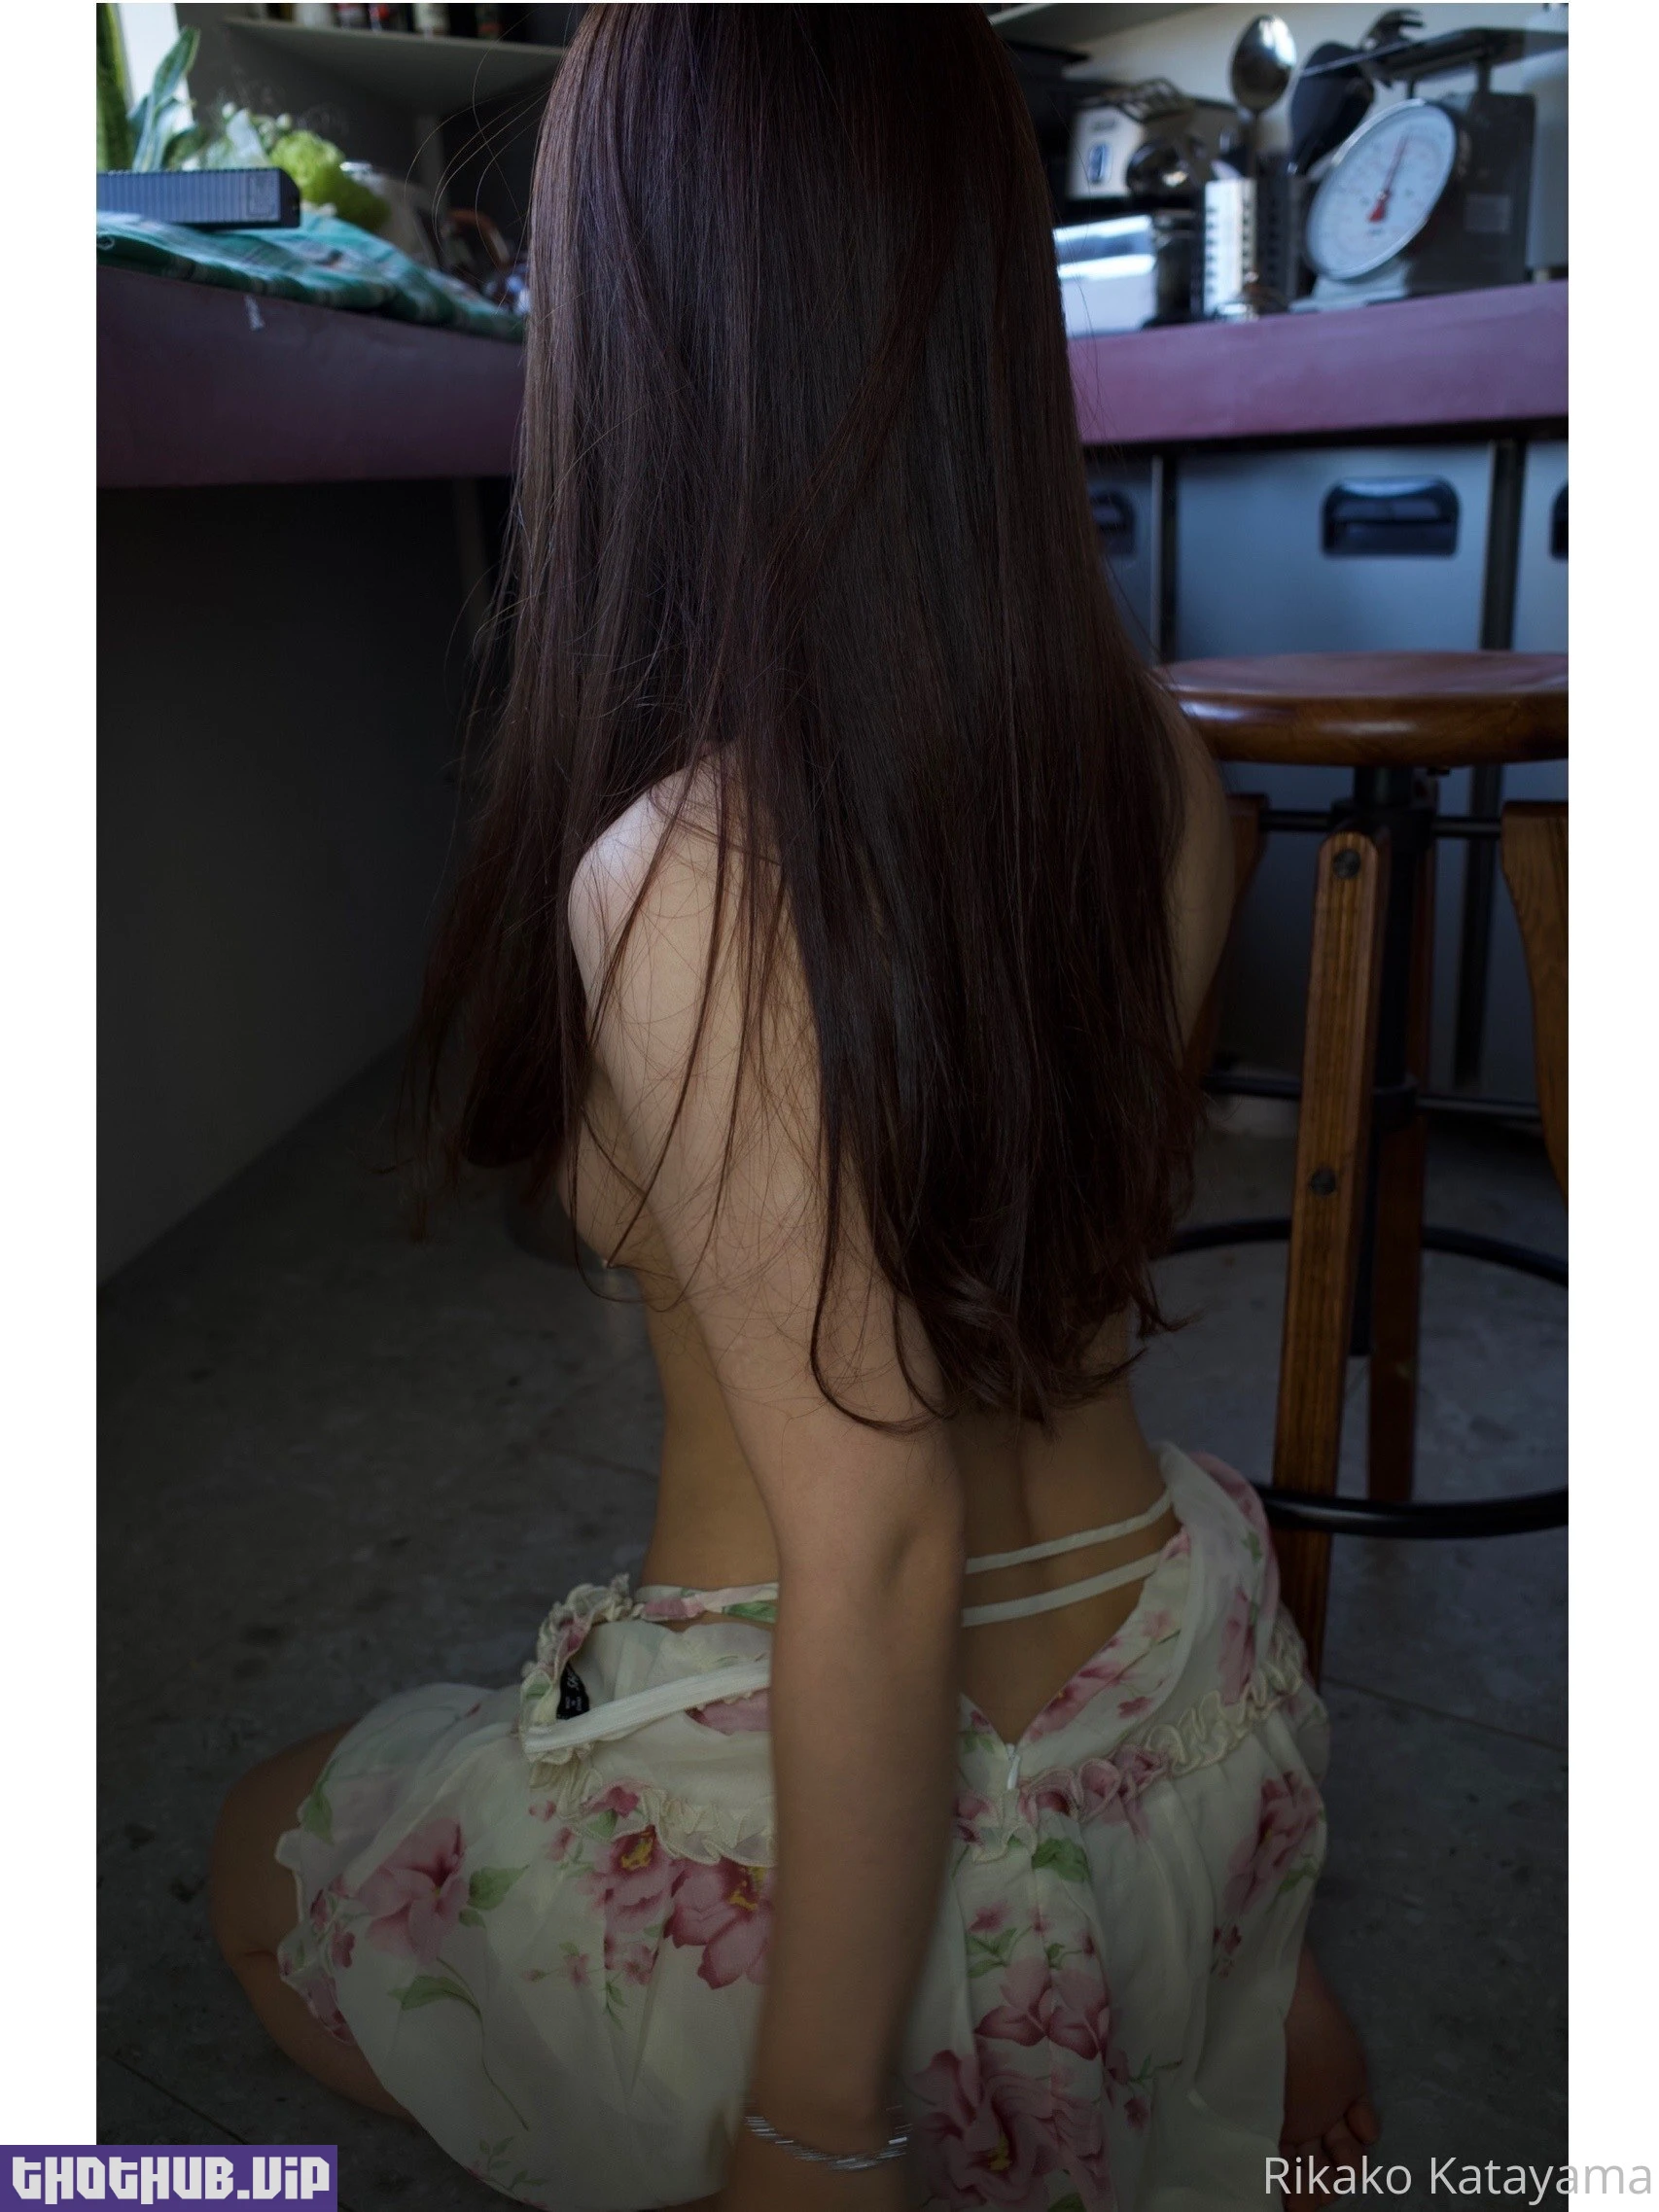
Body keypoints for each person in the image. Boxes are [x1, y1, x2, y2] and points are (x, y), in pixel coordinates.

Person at [210, 9, 1380, 2206]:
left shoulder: (688, 874)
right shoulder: (1151, 756)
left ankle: (958, 2047)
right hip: (1184, 1686)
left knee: (268, 1838)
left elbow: (884, 1540)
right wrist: (1244, 1915)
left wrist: (810, 2138)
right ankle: (1195, 1972)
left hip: (842, 1816)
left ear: (638, 321)